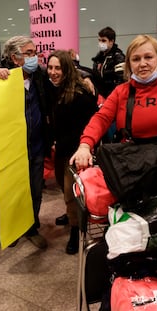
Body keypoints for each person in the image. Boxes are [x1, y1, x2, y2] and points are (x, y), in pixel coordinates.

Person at [69, 34, 157, 171]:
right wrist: (85, 145)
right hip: (136, 167)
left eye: (148, 57)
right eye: (136, 59)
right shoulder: (121, 92)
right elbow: (101, 119)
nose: (142, 64)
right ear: (129, 64)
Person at [0, 35, 53, 249]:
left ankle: (31, 227)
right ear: (15, 58)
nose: (33, 57)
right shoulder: (1, 79)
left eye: (34, 52)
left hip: (35, 147)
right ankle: (10, 229)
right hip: (11, 150)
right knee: (11, 192)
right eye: (28, 53)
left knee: (35, 190)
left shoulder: (39, 77)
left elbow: (65, 75)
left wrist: (87, 78)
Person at [47, 50, 98, 254]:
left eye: (58, 68)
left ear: (67, 69)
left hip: (76, 153)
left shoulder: (81, 95)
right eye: (50, 67)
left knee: (71, 193)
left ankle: (76, 231)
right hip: (60, 150)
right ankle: (71, 216)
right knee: (63, 187)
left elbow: (89, 126)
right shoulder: (54, 89)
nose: (53, 72)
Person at [91, 26, 126, 99]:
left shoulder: (119, 57)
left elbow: (122, 81)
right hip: (99, 97)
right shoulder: (98, 58)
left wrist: (112, 97)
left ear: (111, 41)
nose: (100, 43)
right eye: (99, 40)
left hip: (112, 97)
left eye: (103, 41)